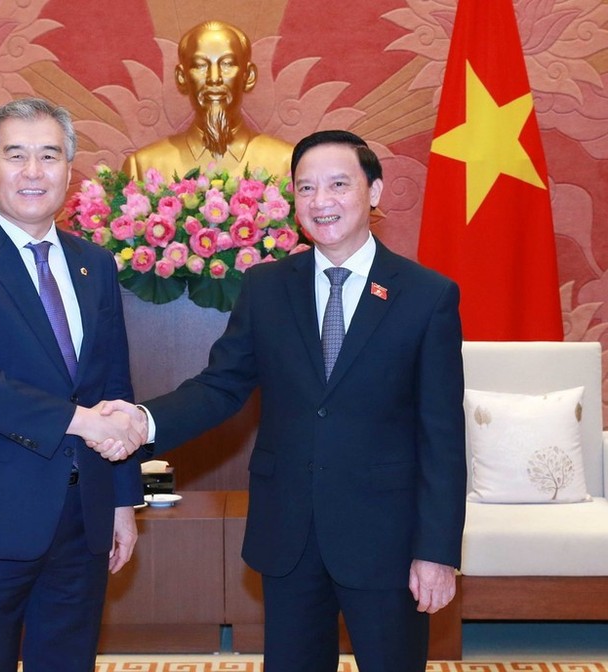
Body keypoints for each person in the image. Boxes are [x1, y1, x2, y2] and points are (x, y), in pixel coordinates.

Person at [101, 130, 467, 672]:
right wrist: (144, 419)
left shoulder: (426, 295)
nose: (322, 202)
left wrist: (436, 550)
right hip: (288, 531)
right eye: (306, 188)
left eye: (338, 185)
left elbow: (442, 435)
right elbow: (221, 386)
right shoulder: (267, 287)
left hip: (385, 537)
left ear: (375, 192)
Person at [0, 97, 145, 672]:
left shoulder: (95, 264)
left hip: (83, 515)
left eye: (50, 155)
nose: (34, 171)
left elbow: (115, 380)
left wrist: (121, 501)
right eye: (16, 155)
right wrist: (85, 422)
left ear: (71, 170)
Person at [122, 20, 293, 180]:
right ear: (181, 77)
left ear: (248, 76)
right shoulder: (143, 167)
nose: (214, 78)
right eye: (200, 65)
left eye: (227, 64)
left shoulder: (287, 163)